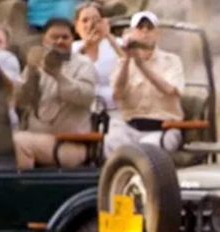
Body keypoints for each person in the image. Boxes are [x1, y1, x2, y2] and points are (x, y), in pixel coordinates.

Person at [12, 17, 96, 169]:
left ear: (72, 39)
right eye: (54, 37)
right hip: (36, 139)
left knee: (18, 141)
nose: (60, 41)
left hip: (69, 144)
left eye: (65, 37)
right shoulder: (36, 64)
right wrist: (31, 70)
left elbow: (86, 97)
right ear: (44, 40)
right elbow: (20, 101)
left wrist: (58, 75)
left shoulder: (83, 64)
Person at [105, 10, 186, 156]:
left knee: (146, 152)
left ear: (157, 33)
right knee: (110, 142)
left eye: (149, 28)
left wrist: (141, 64)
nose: (145, 31)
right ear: (132, 32)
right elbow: (117, 95)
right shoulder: (123, 63)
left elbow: (169, 89)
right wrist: (127, 60)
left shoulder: (172, 61)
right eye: (140, 28)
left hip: (162, 129)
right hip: (130, 127)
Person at [72, 1, 125, 112]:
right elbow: (66, 69)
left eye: (96, 20)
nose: (91, 25)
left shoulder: (118, 44)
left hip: (115, 109)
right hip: (80, 112)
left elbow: (133, 67)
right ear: (76, 26)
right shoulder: (72, 48)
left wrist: (108, 36)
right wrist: (86, 46)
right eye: (85, 20)